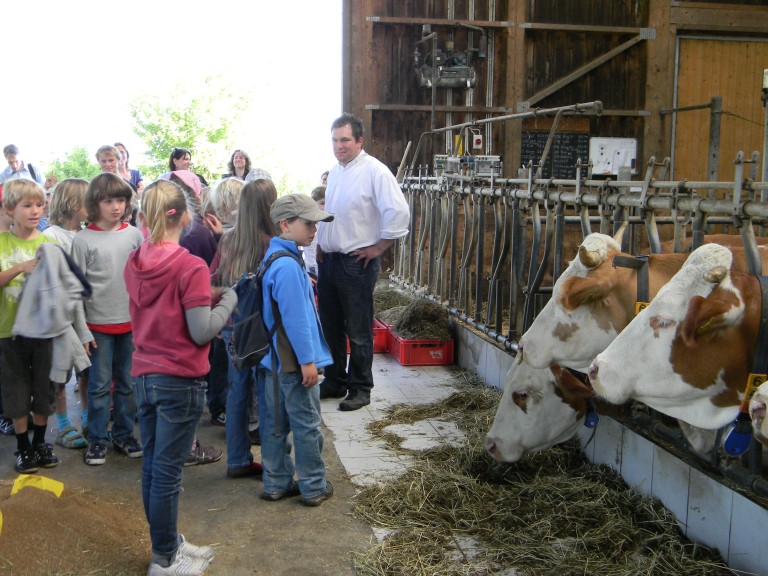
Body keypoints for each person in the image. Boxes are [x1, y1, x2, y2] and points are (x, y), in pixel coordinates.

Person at [125, 178, 234, 576]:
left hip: (144, 374)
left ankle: (167, 544)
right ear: (186, 216)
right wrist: (230, 301)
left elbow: (166, 310)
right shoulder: (190, 265)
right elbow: (201, 330)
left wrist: (208, 296)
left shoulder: (135, 261)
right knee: (168, 472)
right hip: (179, 379)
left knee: (154, 466)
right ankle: (165, 560)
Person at [317, 112, 410, 411]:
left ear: (359, 140)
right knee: (330, 326)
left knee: (357, 328)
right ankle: (335, 380)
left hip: (356, 262)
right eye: (334, 140)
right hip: (331, 261)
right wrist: (321, 244)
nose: (339, 145)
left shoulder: (375, 172)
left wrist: (379, 247)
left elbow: (398, 212)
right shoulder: (336, 170)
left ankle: (360, 387)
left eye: (345, 140)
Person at [258, 193, 334, 505]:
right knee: (306, 425)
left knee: (276, 425)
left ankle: (276, 482)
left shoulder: (274, 257)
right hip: (294, 363)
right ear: (285, 224)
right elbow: (297, 321)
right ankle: (314, 485)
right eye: (308, 223)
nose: (314, 228)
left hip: (274, 362)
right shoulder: (288, 266)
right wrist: (308, 362)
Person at [71, 173, 144, 465]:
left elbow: (143, 281)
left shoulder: (135, 235)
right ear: (94, 203)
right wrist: (82, 331)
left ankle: (123, 434)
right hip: (97, 327)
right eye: (108, 200)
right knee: (100, 386)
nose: (116, 206)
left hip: (131, 325)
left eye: (121, 200)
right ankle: (98, 438)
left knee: (127, 384)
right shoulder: (83, 239)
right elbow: (74, 290)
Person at [212, 179, 276, 477]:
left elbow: (214, 278)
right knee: (266, 391)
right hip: (262, 330)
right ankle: (274, 460)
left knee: (237, 391)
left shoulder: (227, 239)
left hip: (230, 326)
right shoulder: (272, 244)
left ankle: (237, 459)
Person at [0, 179, 59, 473]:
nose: (35, 211)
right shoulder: (1, 243)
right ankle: (23, 446)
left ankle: (40, 443)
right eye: (27, 205)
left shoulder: (49, 243)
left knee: (44, 388)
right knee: (16, 390)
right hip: (9, 331)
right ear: (10, 209)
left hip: (44, 331)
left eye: (39, 205)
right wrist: (20, 268)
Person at [42, 178, 90, 449]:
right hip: (62, 317)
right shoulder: (51, 236)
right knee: (61, 374)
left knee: (86, 371)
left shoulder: (87, 233)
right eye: (88, 201)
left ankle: (87, 418)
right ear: (73, 204)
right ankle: (62, 425)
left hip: (86, 313)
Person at [303, 186, 325, 278]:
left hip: (322, 269)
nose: (325, 206)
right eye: (322, 203)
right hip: (309, 268)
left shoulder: (327, 224)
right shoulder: (309, 224)